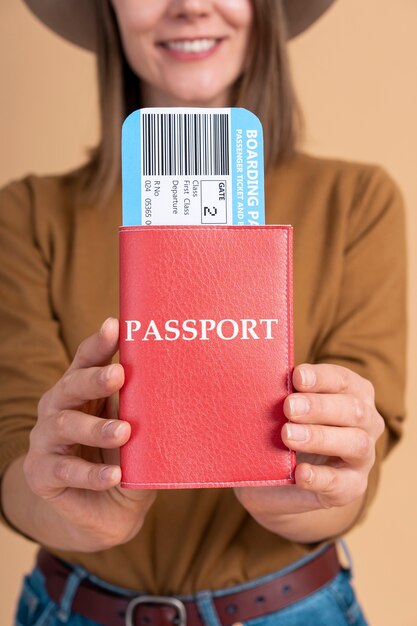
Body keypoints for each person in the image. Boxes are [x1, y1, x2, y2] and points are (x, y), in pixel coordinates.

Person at [0, 1, 406, 625]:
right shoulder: (26, 216)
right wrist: (66, 504)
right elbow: (10, 452)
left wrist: (315, 481)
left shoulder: (357, 202)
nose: (190, 4)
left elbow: (357, 462)